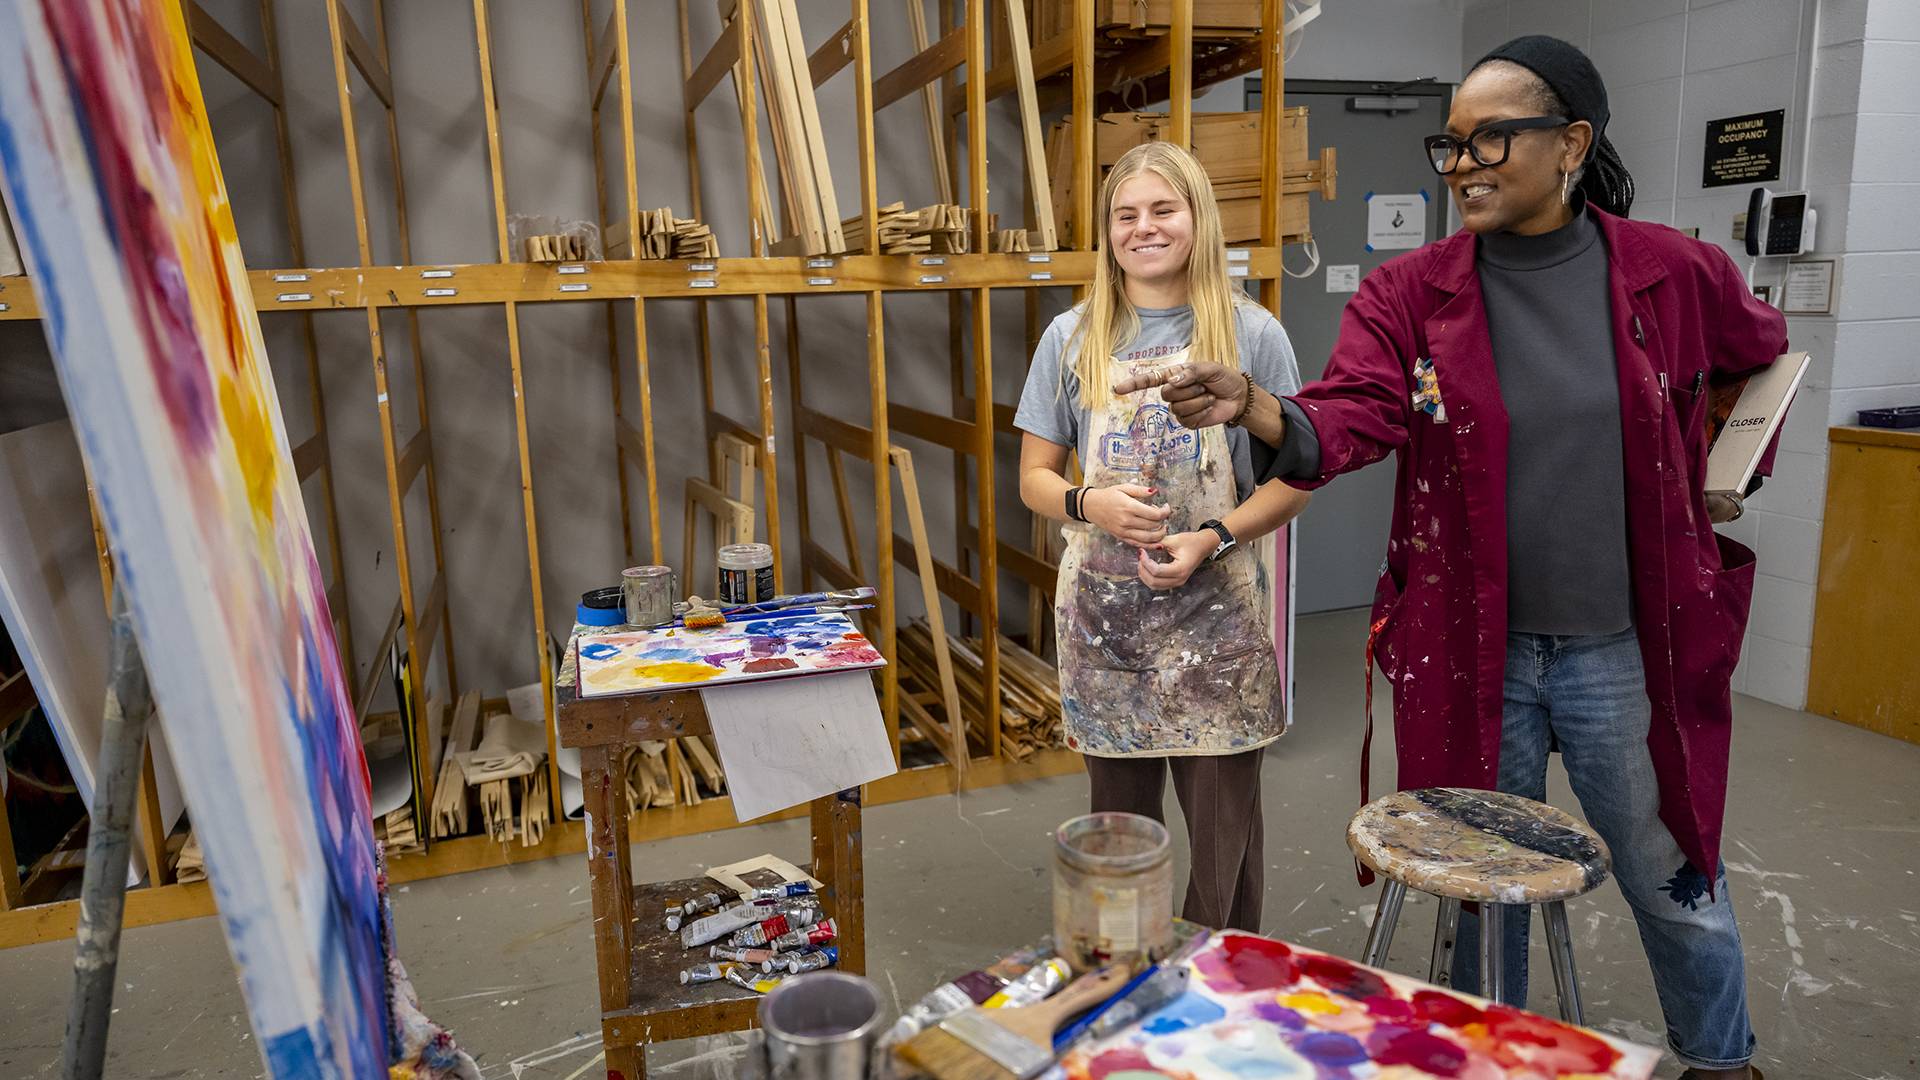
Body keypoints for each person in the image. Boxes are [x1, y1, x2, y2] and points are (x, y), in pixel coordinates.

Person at [1117, 36, 1783, 1080]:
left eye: (1491, 140)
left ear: (1571, 143)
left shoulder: (1674, 272)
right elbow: (1355, 412)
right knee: (1483, 891)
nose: (1464, 163)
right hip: (1479, 652)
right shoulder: (1410, 294)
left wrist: (1725, 470)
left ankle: (1720, 1058)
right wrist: (1255, 403)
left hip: (1625, 650)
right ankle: (1492, 1061)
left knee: (1674, 875)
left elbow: (1761, 358)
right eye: (1451, 144)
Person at [1014, 142, 1310, 932]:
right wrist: (1090, 504)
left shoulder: (1251, 332)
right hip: (1106, 625)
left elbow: (1299, 477)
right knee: (1116, 838)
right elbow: (1033, 477)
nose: (1144, 228)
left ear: (1197, 220)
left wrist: (1212, 535)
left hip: (1216, 624)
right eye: (1126, 215)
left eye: (1162, 210)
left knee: (1222, 842)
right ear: (1109, 231)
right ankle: (1119, 988)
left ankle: (1215, 1002)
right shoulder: (1072, 337)